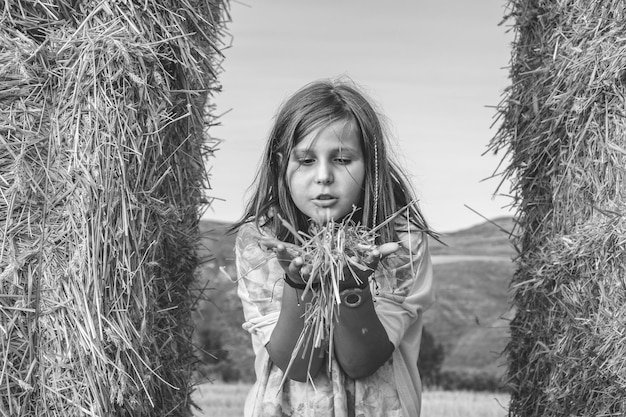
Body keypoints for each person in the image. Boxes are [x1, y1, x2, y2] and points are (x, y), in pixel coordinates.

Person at [233, 78, 436, 417]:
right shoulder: (263, 240)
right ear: (283, 165)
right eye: (306, 160)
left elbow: (362, 362)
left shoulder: (399, 242)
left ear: (370, 164)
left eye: (342, 159)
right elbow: (299, 365)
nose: (324, 175)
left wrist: (352, 289)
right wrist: (298, 285)